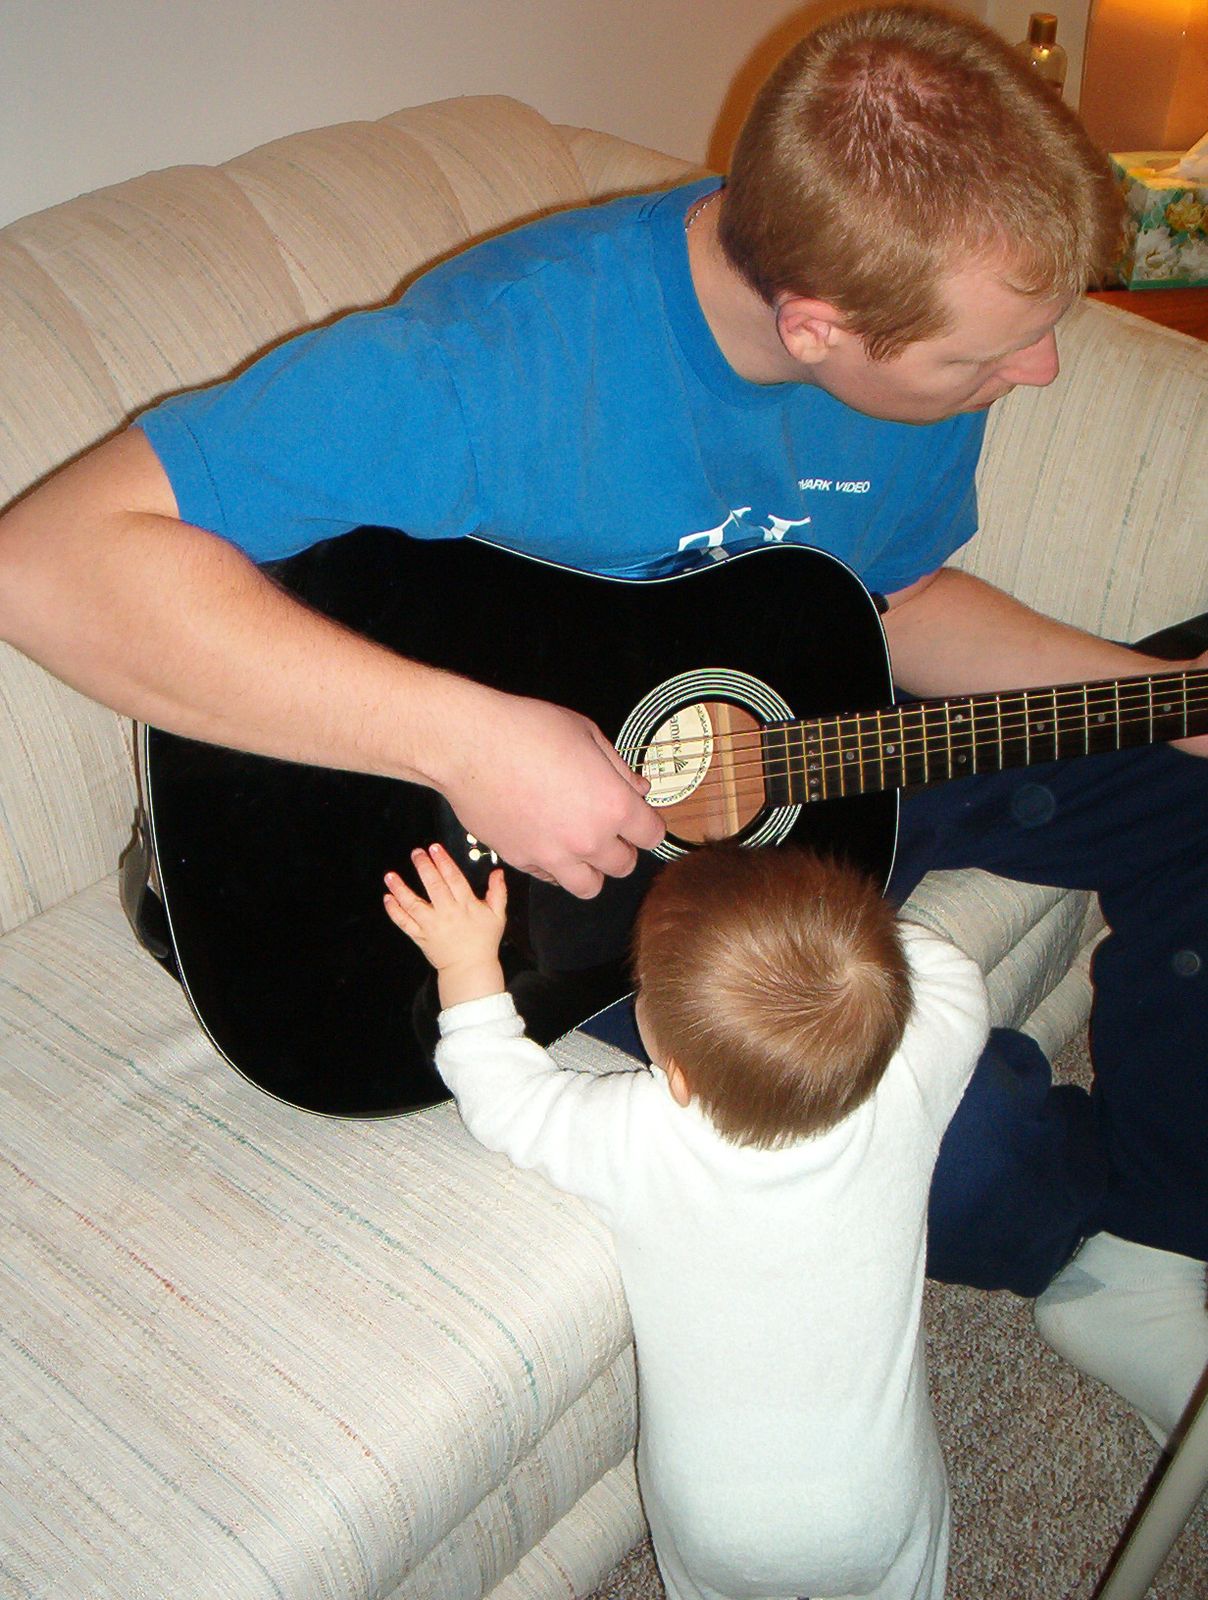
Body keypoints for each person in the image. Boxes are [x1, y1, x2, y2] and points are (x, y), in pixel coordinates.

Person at [0, 4, 1204, 1433]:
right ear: (816, 326)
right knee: (963, 1152)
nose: (1039, 374)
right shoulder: (491, 362)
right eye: (990, 357)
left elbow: (890, 598)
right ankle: (1088, 1250)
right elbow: (45, 564)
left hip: (814, 736)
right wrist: (469, 742)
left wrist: (1153, 699)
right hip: (518, 869)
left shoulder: (917, 330)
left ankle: (1164, 1228)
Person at [383, 839, 990, 1600]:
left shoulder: (640, 1136)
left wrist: (466, 961)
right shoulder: (910, 1081)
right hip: (876, 1505)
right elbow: (952, 975)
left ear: (674, 1075)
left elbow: (501, 1094)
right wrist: (832, 934)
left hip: (713, 1520)